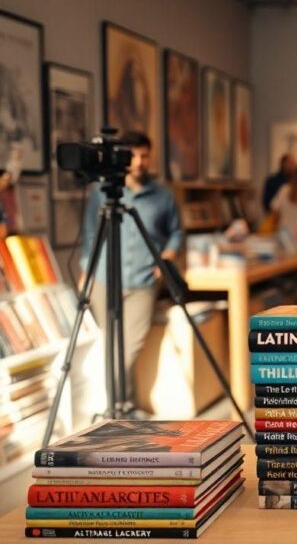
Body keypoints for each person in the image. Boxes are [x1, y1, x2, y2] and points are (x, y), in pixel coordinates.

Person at [79, 131, 183, 413]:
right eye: (132, 155)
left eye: (144, 155)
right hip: (104, 280)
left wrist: (167, 256)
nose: (138, 162)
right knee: (111, 346)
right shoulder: (101, 193)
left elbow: (176, 232)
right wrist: (86, 271)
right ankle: (125, 407)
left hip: (143, 282)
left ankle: (118, 408)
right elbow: (90, 234)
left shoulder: (163, 196)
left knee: (128, 349)